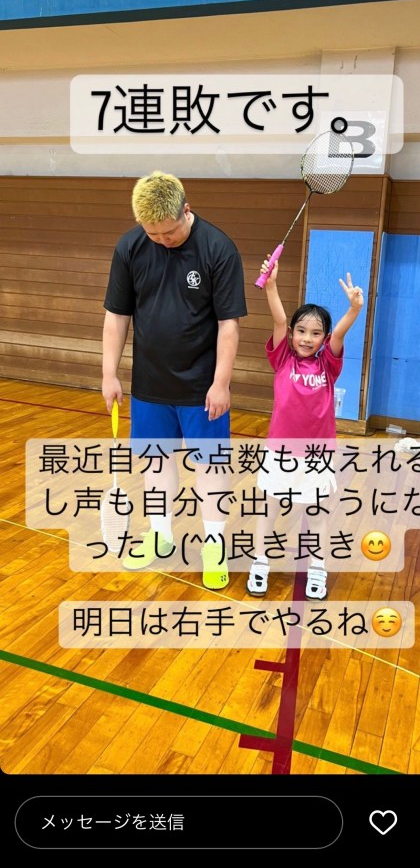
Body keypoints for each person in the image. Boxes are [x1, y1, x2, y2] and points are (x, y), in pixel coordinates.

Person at [102, 170, 247, 588]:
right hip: (150, 385)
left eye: (168, 232)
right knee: (156, 461)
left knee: (211, 466)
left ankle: (215, 544)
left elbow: (229, 325)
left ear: (186, 209)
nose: (162, 240)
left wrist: (221, 383)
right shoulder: (130, 247)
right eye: (153, 233)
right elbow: (117, 316)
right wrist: (109, 372)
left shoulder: (218, 248)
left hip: (202, 388)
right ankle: (161, 535)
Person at [247, 255, 364, 600]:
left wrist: (354, 309)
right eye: (301, 331)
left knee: (316, 513)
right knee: (268, 507)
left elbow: (340, 332)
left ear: (324, 338)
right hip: (279, 452)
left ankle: (317, 568)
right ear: (292, 334)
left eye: (315, 333)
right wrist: (271, 285)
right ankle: (259, 563)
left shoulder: (328, 364)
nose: (306, 338)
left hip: (317, 454)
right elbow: (279, 319)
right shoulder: (282, 358)